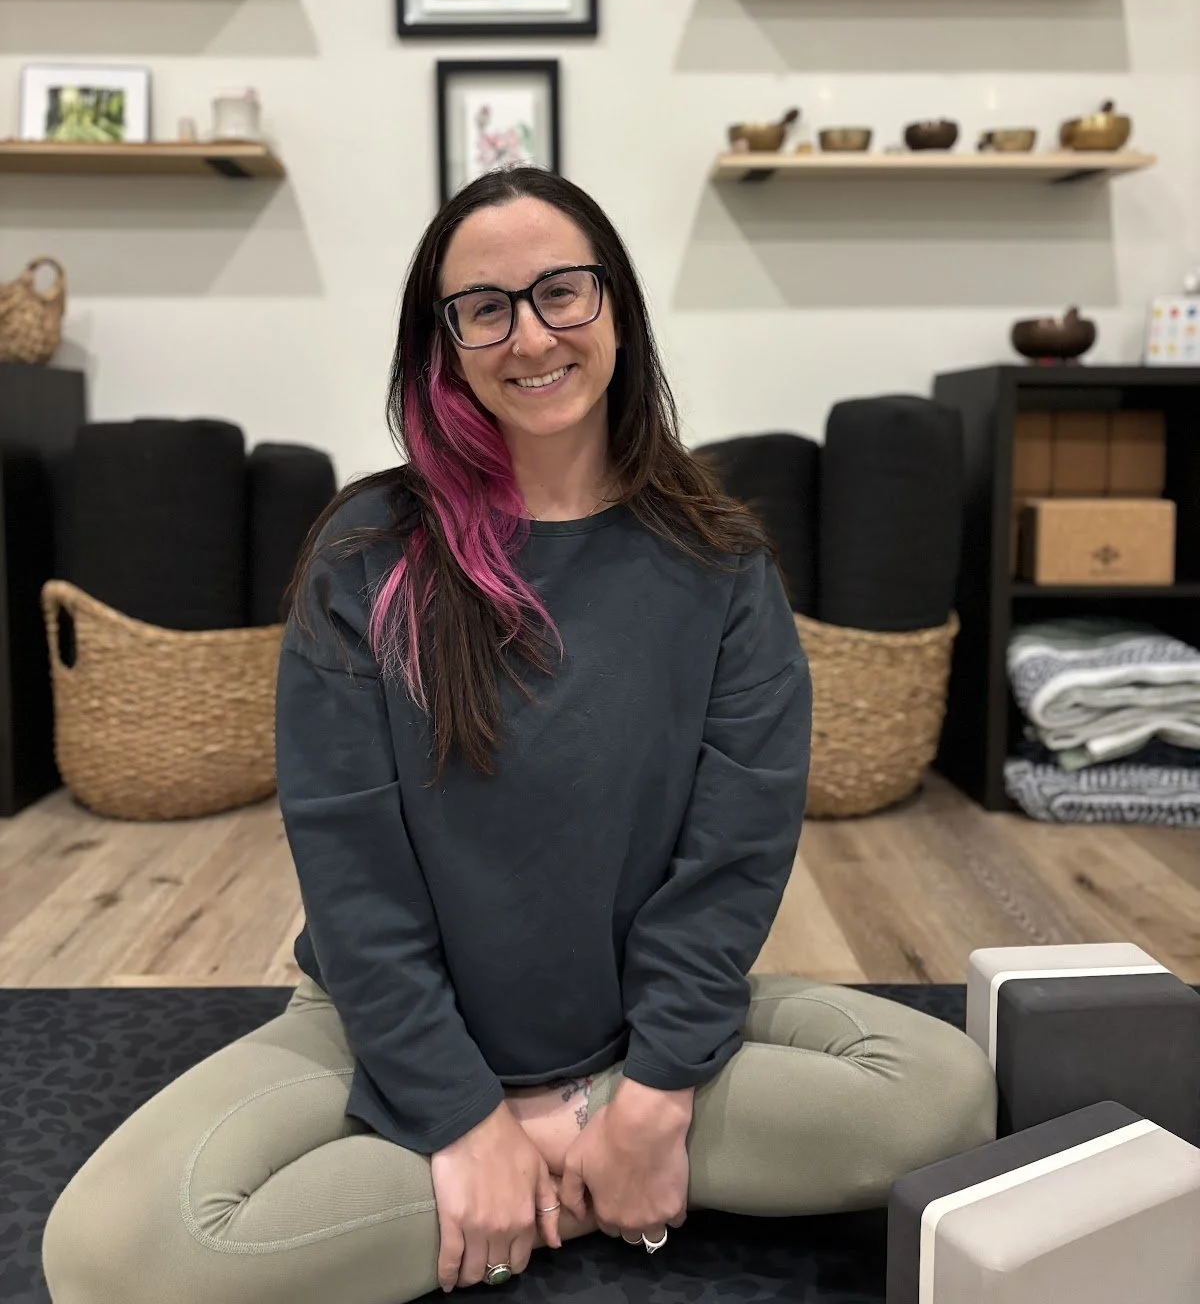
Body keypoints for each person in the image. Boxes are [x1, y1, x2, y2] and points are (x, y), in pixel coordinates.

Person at [41, 167, 996, 1304]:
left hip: (635, 1031)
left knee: (944, 1094)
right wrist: (460, 1111)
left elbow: (735, 856)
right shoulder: (367, 551)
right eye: (485, 306)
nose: (530, 333)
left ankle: (569, 1166)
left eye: (563, 291)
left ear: (618, 308)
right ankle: (572, 1179)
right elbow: (353, 878)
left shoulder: (721, 558)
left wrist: (651, 1093)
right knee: (109, 1252)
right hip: (382, 1025)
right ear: (442, 344)